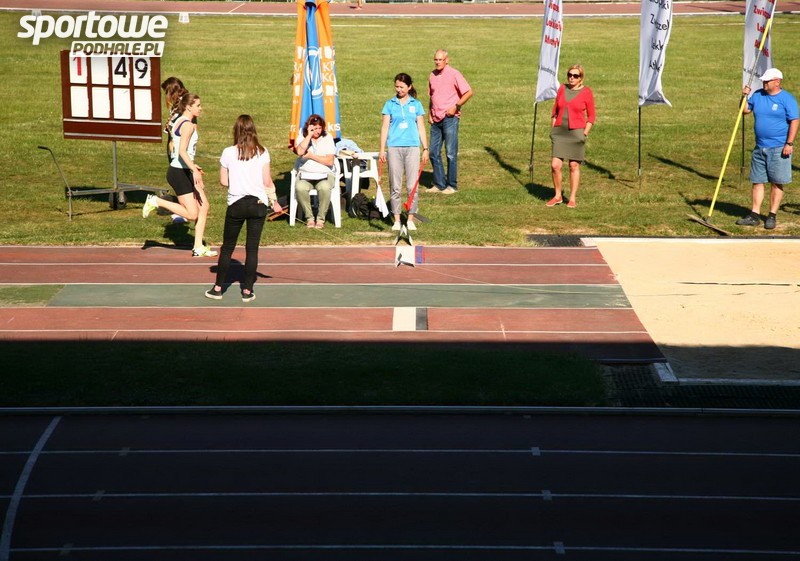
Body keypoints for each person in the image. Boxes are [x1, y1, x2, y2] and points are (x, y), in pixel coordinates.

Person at [205, 115, 282, 303]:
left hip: (236, 204)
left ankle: (218, 288)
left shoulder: (228, 152)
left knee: (227, 247)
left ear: (236, 131)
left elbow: (224, 181)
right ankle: (247, 290)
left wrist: (238, 181)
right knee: (252, 249)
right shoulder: (262, 152)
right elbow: (267, 181)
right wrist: (274, 201)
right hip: (258, 204)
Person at [142, 93, 217, 257]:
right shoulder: (188, 125)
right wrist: (194, 170)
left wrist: (193, 166)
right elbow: (182, 151)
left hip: (184, 169)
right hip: (179, 173)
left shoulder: (179, 121)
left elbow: (181, 152)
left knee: (204, 206)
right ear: (188, 107)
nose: (200, 108)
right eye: (198, 105)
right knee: (192, 214)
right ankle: (155, 201)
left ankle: (198, 247)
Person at [736, 68, 798, 230]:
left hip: (779, 148)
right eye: (763, 80)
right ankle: (754, 215)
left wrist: (789, 143)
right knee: (757, 181)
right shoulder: (758, 95)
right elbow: (744, 111)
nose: (764, 83)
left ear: (777, 82)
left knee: (777, 183)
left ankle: (771, 215)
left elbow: (795, 121)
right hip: (760, 147)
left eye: (767, 81)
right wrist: (744, 96)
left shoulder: (787, 99)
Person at [380, 73, 429, 231]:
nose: (399, 89)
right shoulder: (389, 104)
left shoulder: (416, 104)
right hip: (394, 147)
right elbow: (385, 128)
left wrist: (425, 148)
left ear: (409, 87)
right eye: (397, 86)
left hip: (412, 148)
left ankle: (410, 218)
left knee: (412, 185)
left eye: (402, 87)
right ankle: (396, 219)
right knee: (395, 185)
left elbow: (421, 127)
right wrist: (382, 150)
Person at [546, 64, 596, 209]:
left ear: (581, 78)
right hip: (560, 133)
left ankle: (572, 198)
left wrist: (584, 133)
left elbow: (591, 116)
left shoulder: (586, 92)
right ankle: (557, 196)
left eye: (575, 76)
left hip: (576, 133)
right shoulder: (562, 89)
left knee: (573, 166)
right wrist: (553, 129)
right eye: (569, 75)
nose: (572, 78)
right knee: (555, 165)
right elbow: (555, 111)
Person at [427, 49, 472, 195]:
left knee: (450, 153)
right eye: (436, 59)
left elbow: (468, 92)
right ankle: (439, 183)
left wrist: (456, 107)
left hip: (450, 118)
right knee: (433, 152)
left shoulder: (454, 74)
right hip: (435, 118)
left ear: (447, 60)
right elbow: (432, 96)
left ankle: (452, 185)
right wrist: (429, 113)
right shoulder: (432, 75)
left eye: (440, 59)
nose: (438, 62)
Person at [293, 114, 336, 229]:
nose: (318, 131)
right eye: (315, 128)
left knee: (324, 188)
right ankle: (310, 218)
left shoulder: (327, 137)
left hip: (324, 174)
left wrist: (312, 156)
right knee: (300, 187)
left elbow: (330, 161)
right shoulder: (302, 136)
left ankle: (321, 219)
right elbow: (300, 152)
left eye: (320, 128)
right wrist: (308, 136)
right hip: (305, 174)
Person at [160, 76, 188, 225]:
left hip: (178, 149)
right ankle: (182, 209)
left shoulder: (184, 105)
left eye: (166, 92)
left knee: (182, 180)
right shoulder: (176, 105)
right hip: (173, 147)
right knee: (181, 181)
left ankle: (182, 211)